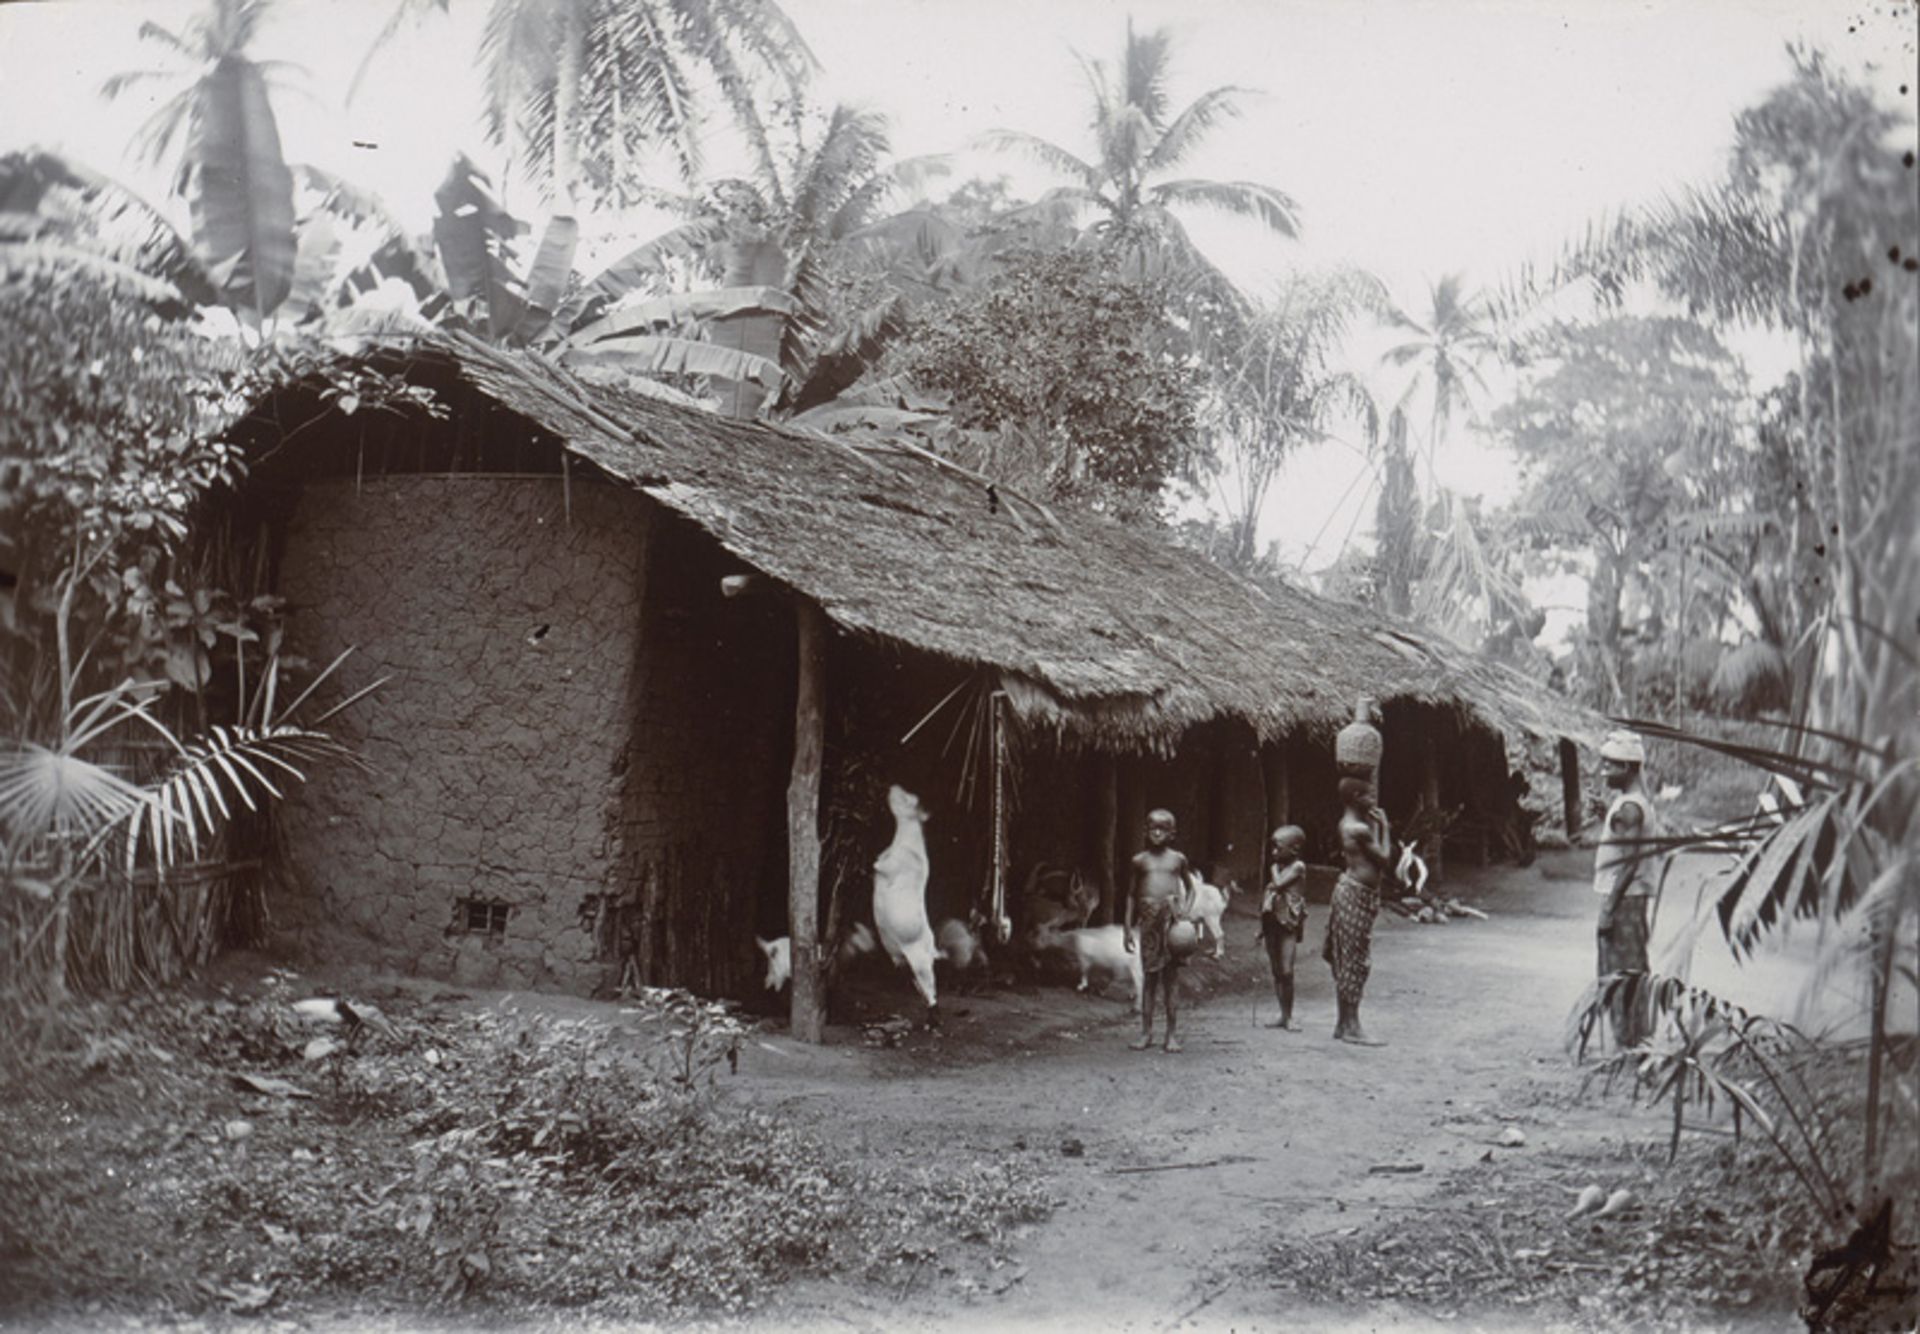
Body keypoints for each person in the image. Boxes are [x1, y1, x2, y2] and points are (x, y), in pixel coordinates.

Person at [1595, 729, 1659, 1047]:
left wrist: (1609, 909)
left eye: (1610, 765)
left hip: (1625, 901)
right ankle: (1634, 1040)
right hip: (1630, 899)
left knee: (1622, 972)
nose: (1603, 770)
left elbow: (1630, 862)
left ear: (1629, 768)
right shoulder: (1630, 804)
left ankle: (1632, 1044)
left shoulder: (1629, 810)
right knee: (1629, 968)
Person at [1325, 777, 1392, 1045]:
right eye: (1368, 796)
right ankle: (1352, 1026)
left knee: (1348, 957)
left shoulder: (1349, 823)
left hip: (1353, 893)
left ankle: (1343, 1024)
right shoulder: (1359, 829)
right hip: (1355, 894)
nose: (1372, 801)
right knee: (1355, 960)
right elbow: (1385, 859)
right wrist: (1385, 827)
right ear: (1354, 796)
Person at [1123, 809, 1194, 1052]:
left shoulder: (1178, 859)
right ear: (1145, 830)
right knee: (1149, 979)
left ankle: (1171, 1035)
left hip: (1171, 923)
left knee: (1171, 980)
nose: (1156, 832)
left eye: (1162, 829)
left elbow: (1190, 888)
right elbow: (1132, 895)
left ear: (1171, 833)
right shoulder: (1139, 861)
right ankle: (1146, 1033)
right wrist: (1127, 927)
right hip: (1148, 923)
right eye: (1152, 828)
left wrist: (1184, 911)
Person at [1259, 825, 1309, 1030]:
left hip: (1288, 925)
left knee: (1287, 971)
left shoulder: (1298, 867)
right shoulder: (1279, 867)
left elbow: (1278, 885)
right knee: (1277, 971)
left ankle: (1289, 1016)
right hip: (1272, 924)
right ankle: (1282, 1014)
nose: (1274, 853)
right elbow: (1267, 900)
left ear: (1294, 849)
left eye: (1278, 848)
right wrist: (1260, 927)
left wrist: (1272, 869)